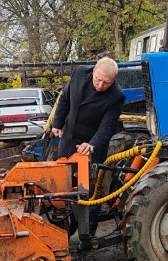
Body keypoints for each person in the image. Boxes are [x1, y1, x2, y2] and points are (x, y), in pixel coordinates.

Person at [51, 57, 124, 249]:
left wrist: (92, 145)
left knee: (90, 191)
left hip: (91, 147)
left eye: (106, 82)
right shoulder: (79, 74)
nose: (100, 85)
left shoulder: (117, 95)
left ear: (114, 79)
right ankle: (64, 231)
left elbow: (108, 126)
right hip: (68, 140)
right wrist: (57, 123)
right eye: (98, 79)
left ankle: (87, 237)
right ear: (93, 71)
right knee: (65, 185)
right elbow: (65, 97)